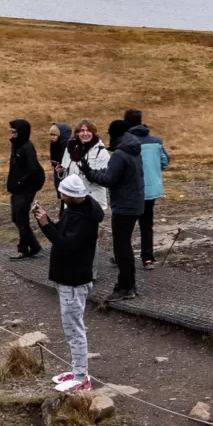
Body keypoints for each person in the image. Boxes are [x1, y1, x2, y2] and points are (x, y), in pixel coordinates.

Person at [36, 163, 103, 392]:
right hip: (68, 277)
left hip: (74, 280)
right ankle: (76, 370)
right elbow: (63, 235)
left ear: (74, 196)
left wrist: (46, 226)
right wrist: (47, 222)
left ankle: (82, 377)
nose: (60, 196)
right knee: (71, 327)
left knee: (74, 328)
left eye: (64, 193)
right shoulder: (75, 210)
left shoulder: (85, 219)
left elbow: (67, 245)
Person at [85, 118, 150, 302]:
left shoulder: (120, 154)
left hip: (124, 206)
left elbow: (109, 180)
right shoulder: (133, 148)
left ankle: (126, 286)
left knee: (121, 247)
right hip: (135, 202)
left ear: (114, 134)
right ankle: (128, 285)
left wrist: (90, 173)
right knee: (125, 245)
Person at [125, 108, 169, 266]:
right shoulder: (156, 141)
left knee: (126, 225)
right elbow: (164, 162)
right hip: (151, 190)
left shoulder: (126, 142)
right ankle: (148, 258)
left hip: (132, 190)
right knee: (147, 224)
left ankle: (122, 256)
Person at [6, 119, 46, 259]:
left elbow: (33, 169)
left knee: (21, 220)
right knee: (16, 219)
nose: (11, 134)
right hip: (17, 190)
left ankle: (25, 249)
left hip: (24, 190)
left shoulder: (27, 147)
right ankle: (34, 246)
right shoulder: (16, 146)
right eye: (11, 131)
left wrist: (20, 182)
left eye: (14, 132)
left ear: (21, 132)